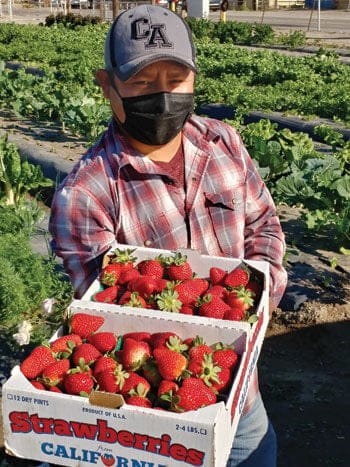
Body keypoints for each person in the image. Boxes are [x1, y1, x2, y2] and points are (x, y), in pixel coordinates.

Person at [49, 5, 288, 466]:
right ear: (107, 86)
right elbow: (109, 314)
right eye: (141, 82)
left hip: (240, 388)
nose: (162, 97)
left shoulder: (225, 143)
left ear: (194, 79)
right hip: (155, 413)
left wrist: (260, 299)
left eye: (175, 80)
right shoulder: (86, 194)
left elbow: (264, 227)